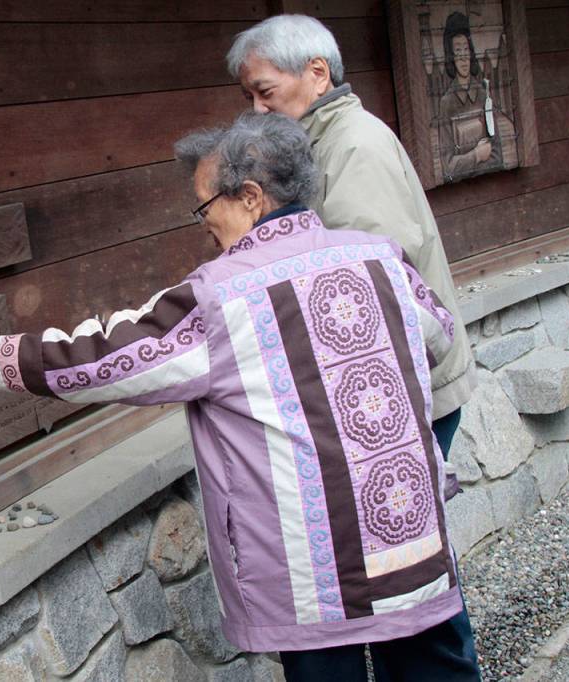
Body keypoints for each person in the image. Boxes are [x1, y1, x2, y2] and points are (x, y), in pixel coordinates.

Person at [0, 113, 477, 681]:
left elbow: (101, 360)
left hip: (316, 569)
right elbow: (438, 333)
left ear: (251, 198)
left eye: (206, 207)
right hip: (410, 536)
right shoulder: (381, 258)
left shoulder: (223, 297)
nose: (203, 225)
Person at [227, 16, 482, 680]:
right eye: (250, 96)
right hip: (377, 405)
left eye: (263, 91)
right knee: (400, 570)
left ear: (317, 72)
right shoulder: (319, 144)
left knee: (413, 581)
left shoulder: (353, 150)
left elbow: (373, 299)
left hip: (397, 403)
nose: (255, 110)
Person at [437, 11, 503, 183]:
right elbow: (448, 168)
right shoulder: (447, 103)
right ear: (451, 56)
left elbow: (497, 156)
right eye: (458, 51)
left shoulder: (484, 95)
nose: (463, 58)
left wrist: (466, 167)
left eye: (466, 50)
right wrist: (477, 156)